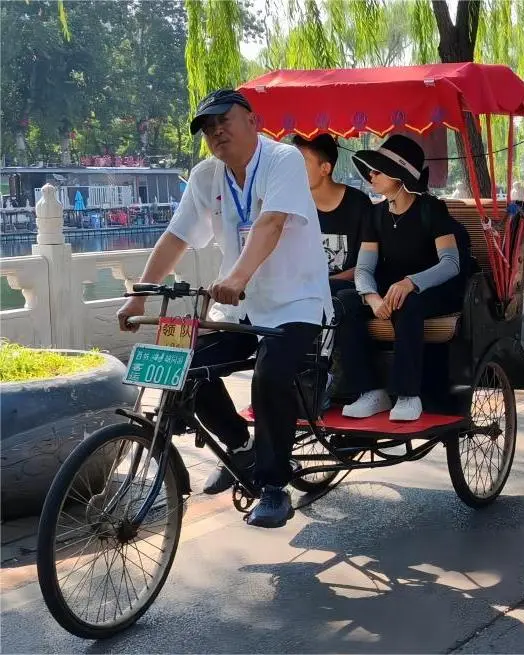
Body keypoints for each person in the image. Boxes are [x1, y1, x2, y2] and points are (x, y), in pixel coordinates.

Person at [116, 89, 332, 529]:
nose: (216, 131)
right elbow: (176, 237)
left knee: (271, 374)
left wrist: (236, 277)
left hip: (297, 301)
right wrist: (140, 292)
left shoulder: (282, 160)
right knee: (187, 367)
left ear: (252, 120)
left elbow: (271, 223)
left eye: (224, 120)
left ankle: (274, 487)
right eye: (207, 127)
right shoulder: (205, 176)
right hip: (241, 308)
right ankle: (240, 445)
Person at [336, 135, 467, 422]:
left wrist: (410, 282)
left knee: (408, 304)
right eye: (371, 170)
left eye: (378, 171)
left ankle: (408, 395)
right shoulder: (375, 214)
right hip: (387, 292)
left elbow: (451, 264)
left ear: (399, 175)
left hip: (433, 291)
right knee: (343, 302)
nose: (371, 175)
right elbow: (363, 269)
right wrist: (371, 298)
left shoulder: (431, 209)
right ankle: (370, 391)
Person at [292, 134, 372, 295]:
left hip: (346, 290)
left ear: (325, 168)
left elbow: (367, 264)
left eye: (301, 162)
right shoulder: (293, 205)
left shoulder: (359, 204)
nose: (294, 168)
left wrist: (323, 284)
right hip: (301, 293)